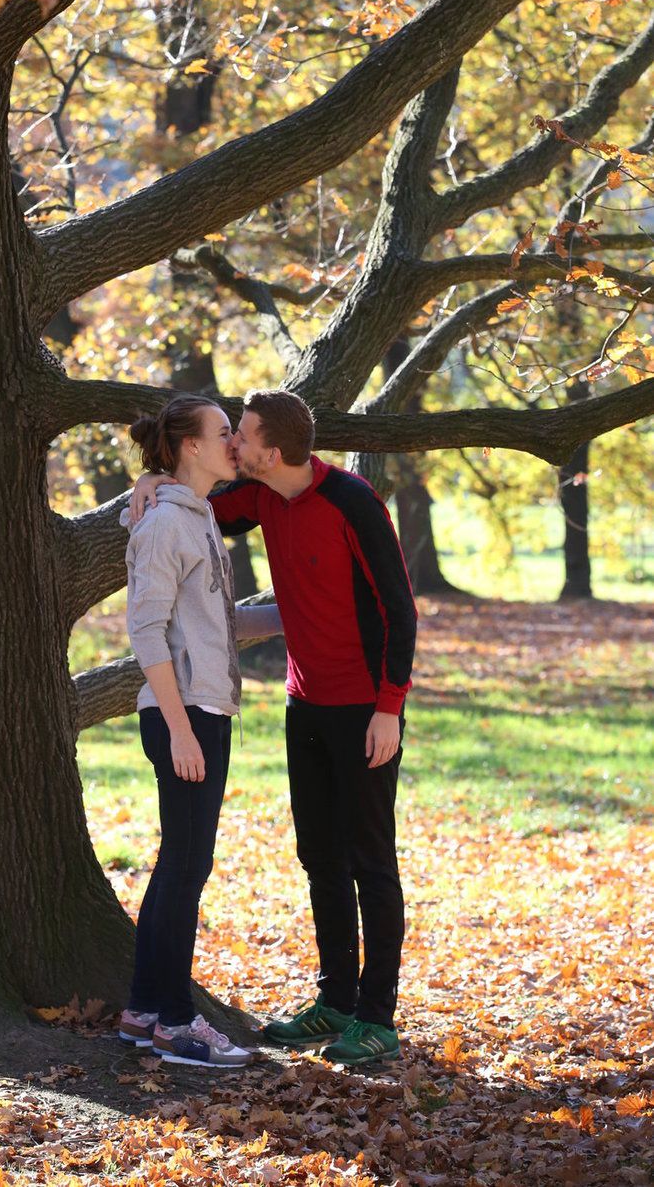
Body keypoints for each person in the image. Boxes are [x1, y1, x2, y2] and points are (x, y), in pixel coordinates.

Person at [130, 389, 417, 1066]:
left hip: (364, 708)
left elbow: (400, 608)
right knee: (320, 857)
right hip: (304, 705)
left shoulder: (352, 501)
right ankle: (335, 1000)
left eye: (245, 435)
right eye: (230, 435)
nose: (235, 446)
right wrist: (149, 479)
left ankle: (376, 1016)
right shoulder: (258, 497)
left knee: (372, 862)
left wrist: (390, 705)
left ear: (273, 448)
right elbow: (189, 506)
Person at [116, 394, 282, 1069]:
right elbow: (144, 629)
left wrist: (290, 615)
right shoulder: (164, 526)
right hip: (183, 715)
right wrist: (181, 730)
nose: (233, 444)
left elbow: (217, 624)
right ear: (188, 446)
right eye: (222, 434)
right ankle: (179, 1024)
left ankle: (144, 1010)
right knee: (186, 869)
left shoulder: (197, 518)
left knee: (181, 867)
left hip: (206, 710)